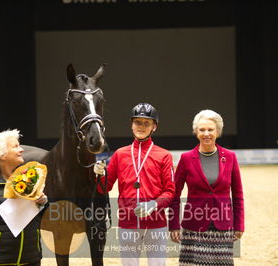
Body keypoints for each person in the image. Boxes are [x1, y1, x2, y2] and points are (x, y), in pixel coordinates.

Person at [94, 103, 175, 266]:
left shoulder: (164, 155)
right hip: (127, 224)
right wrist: (98, 175)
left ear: (154, 127)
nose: (141, 126)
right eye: (137, 122)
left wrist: (154, 204)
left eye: (147, 122)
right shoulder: (120, 154)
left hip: (156, 223)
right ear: (131, 125)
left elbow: (170, 191)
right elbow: (105, 188)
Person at [168, 110, 244, 265]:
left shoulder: (230, 157)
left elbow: (237, 195)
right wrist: (174, 225)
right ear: (196, 132)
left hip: (222, 226)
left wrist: (239, 224)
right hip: (194, 226)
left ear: (218, 132)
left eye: (210, 129)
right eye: (202, 130)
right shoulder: (186, 158)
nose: (206, 133)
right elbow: (174, 195)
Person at [0, 129, 48, 266]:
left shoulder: (29, 182)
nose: (22, 150)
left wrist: (43, 203)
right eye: (15, 146)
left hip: (31, 259)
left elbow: (40, 219)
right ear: (2, 155)